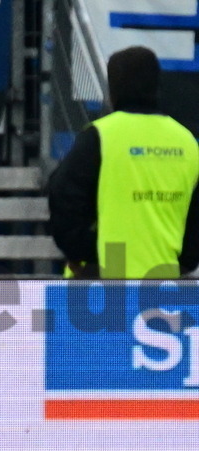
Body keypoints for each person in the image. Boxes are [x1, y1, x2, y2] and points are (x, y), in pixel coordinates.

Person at [48, 46, 199, 279]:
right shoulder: (187, 143)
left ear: (112, 90)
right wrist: (182, 264)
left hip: (101, 286)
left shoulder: (99, 136)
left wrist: (88, 253)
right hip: (166, 286)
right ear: (158, 86)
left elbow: (62, 199)